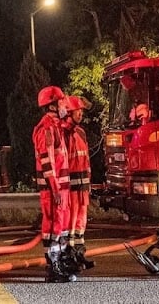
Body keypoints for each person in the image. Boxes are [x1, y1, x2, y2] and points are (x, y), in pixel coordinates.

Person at [33, 85, 73, 283]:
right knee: (52, 226)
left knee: (61, 226)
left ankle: (61, 263)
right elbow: (47, 161)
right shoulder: (46, 128)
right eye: (62, 101)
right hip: (52, 189)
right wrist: (55, 188)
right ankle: (53, 266)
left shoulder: (56, 126)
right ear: (52, 105)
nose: (65, 104)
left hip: (61, 188)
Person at [61, 95, 95, 274]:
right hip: (71, 186)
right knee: (70, 222)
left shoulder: (80, 132)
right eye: (77, 111)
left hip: (83, 186)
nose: (80, 114)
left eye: (81, 110)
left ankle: (80, 254)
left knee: (81, 222)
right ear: (68, 112)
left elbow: (86, 159)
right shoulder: (64, 133)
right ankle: (69, 255)